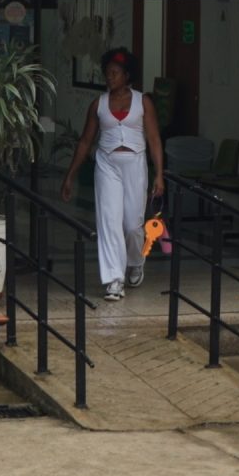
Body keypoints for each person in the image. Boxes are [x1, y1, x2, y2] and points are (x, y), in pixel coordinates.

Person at [60, 47, 163, 302]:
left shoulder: (143, 102)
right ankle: (114, 280)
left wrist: (159, 174)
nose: (110, 77)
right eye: (107, 73)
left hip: (135, 164)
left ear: (127, 75)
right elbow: (85, 141)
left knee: (132, 225)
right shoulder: (98, 104)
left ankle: (136, 262)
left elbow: (153, 139)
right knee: (109, 222)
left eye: (115, 73)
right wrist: (70, 175)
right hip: (107, 165)